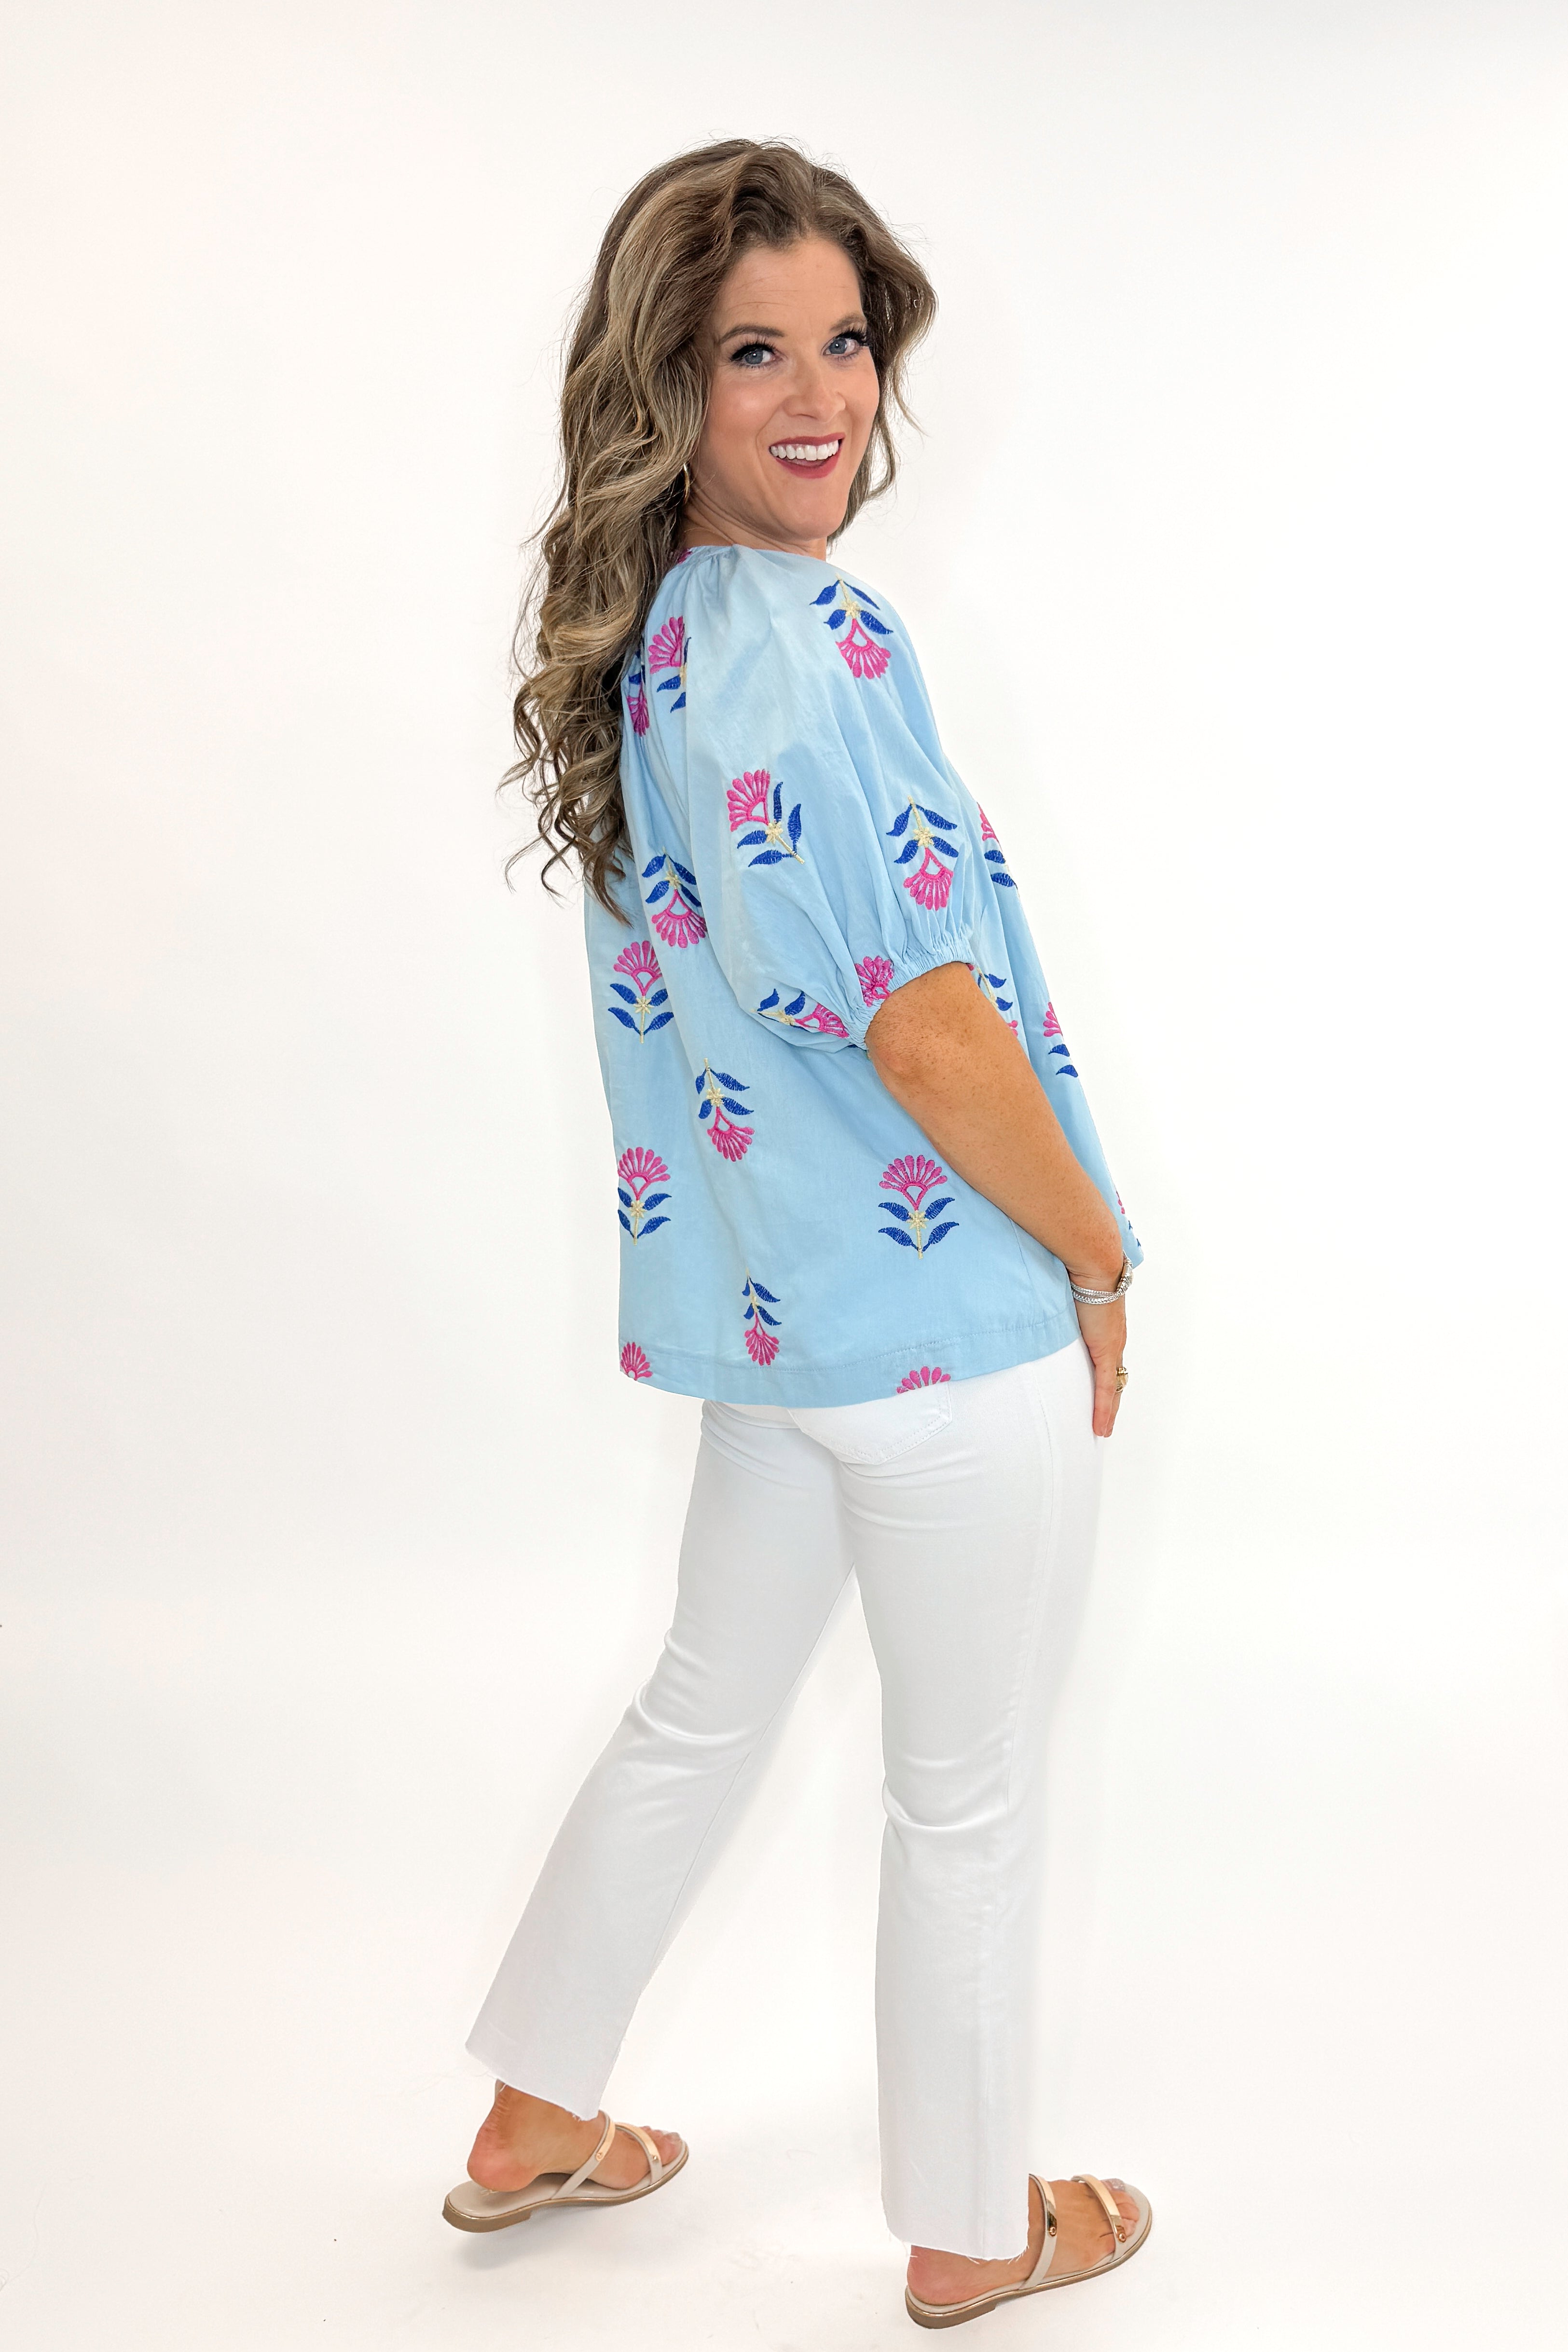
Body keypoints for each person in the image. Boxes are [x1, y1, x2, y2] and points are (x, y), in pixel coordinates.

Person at [442, 140, 1151, 2331]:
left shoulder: (657, 640)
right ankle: (973, 2226)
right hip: (942, 1337)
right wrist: (1098, 1249)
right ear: (669, 382)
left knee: (699, 1709)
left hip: (781, 1331)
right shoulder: (822, 643)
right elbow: (924, 1025)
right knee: (966, 1797)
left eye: (844, 342)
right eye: (757, 352)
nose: (824, 394)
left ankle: (531, 2115)